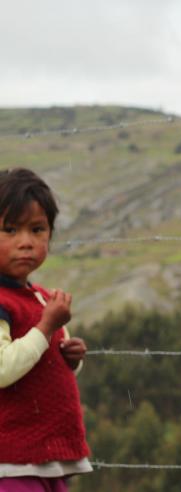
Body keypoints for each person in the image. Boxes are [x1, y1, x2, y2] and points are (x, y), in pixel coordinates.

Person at [0, 168, 92, 491]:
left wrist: (71, 359)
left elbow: (41, 364)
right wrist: (47, 326)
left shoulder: (37, 296)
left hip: (43, 459)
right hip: (10, 464)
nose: (25, 242)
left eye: (37, 229)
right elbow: (2, 369)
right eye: (9, 230)